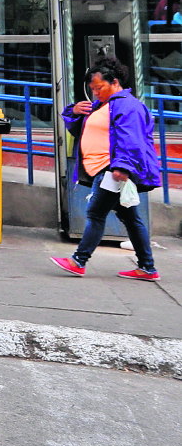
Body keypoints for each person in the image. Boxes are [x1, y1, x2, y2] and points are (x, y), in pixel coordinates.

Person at [52, 57, 160, 281]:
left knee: (96, 213)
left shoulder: (127, 105)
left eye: (99, 87)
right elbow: (80, 132)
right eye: (92, 89)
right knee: (131, 219)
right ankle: (147, 268)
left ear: (115, 82)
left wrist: (123, 167)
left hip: (112, 169)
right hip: (108, 169)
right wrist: (74, 111)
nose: (95, 92)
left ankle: (78, 261)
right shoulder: (104, 105)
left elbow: (132, 139)